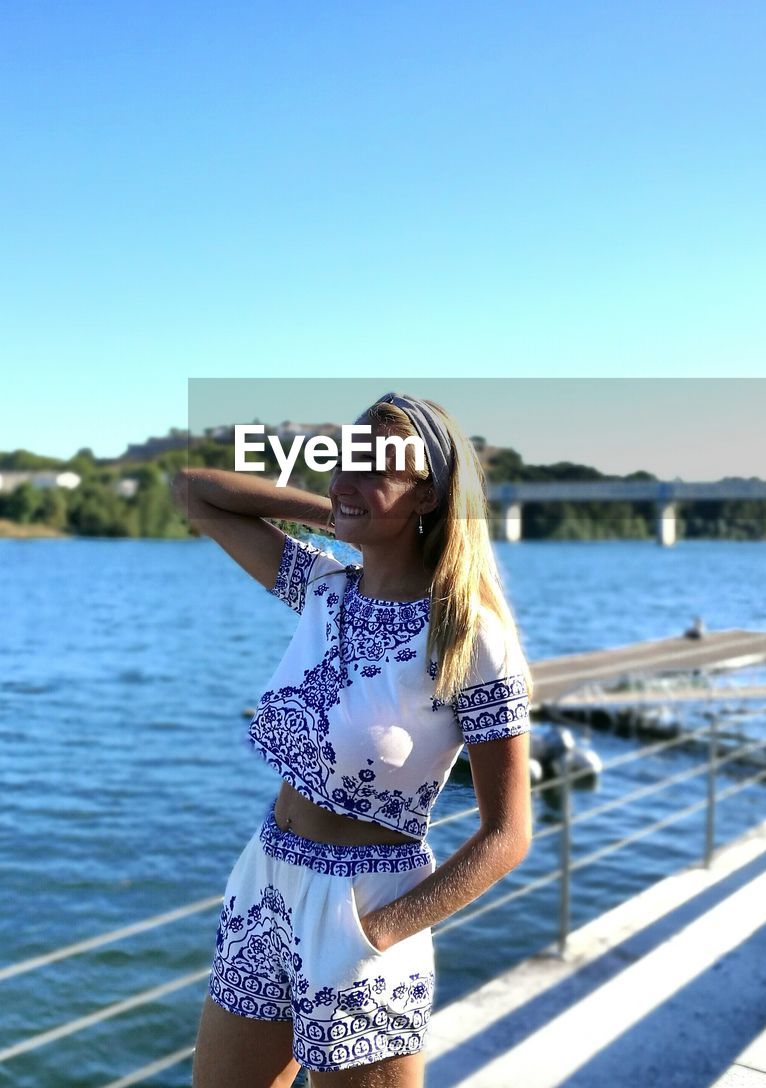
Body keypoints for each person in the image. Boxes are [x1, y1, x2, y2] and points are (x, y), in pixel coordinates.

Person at [174, 392, 534, 1087]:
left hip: (366, 905)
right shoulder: (322, 587)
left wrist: (377, 934)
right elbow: (193, 492)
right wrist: (341, 508)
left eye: (375, 467)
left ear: (428, 493)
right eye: (343, 459)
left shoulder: (468, 638)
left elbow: (507, 835)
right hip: (264, 883)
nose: (347, 475)